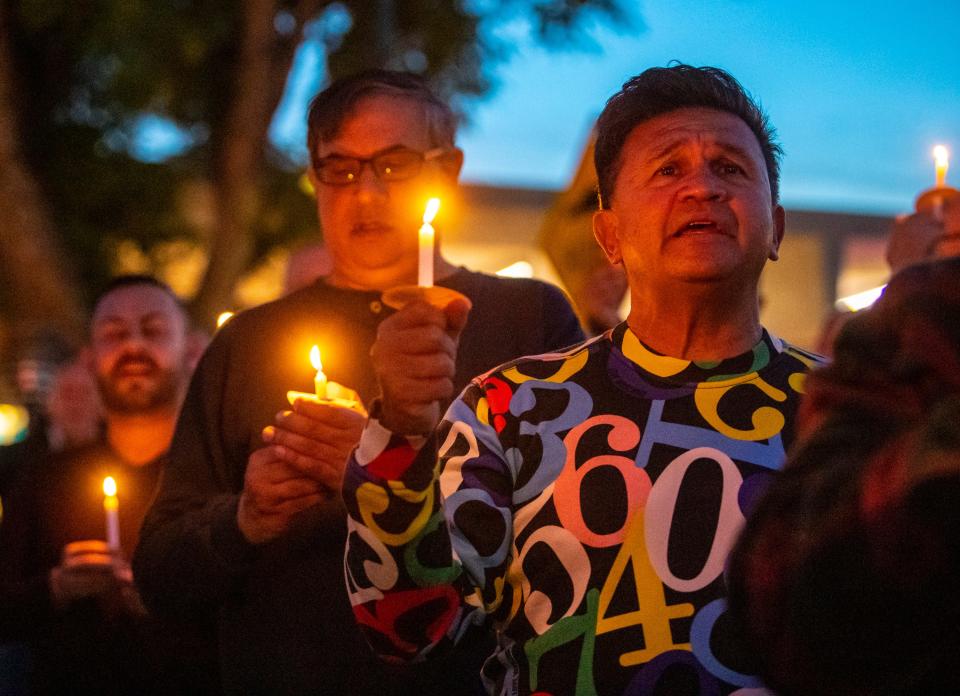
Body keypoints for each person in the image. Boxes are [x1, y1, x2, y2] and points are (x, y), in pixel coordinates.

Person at [341, 64, 826, 695]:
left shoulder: (844, 410)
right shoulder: (509, 407)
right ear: (610, 235)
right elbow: (409, 629)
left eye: (731, 168)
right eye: (668, 169)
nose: (703, 188)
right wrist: (399, 434)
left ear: (776, 230)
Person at [133, 69, 585, 695]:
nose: (365, 193)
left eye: (394, 165)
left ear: (447, 170)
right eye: (339, 169)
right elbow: (159, 576)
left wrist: (384, 471)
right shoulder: (245, 345)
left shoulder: (528, 320)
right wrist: (245, 519)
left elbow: (575, 544)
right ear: (314, 178)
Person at [727, 257, 960, 696]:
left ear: (776, 232)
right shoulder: (924, 320)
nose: (702, 191)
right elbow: (791, 599)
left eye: (735, 180)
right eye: (666, 180)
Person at [0, 275, 211, 694]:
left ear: (191, 352)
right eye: (114, 334)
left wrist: (163, 602)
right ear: (90, 357)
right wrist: (57, 588)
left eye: (152, 331)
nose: (133, 347)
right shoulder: (48, 477)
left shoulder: (218, 474)